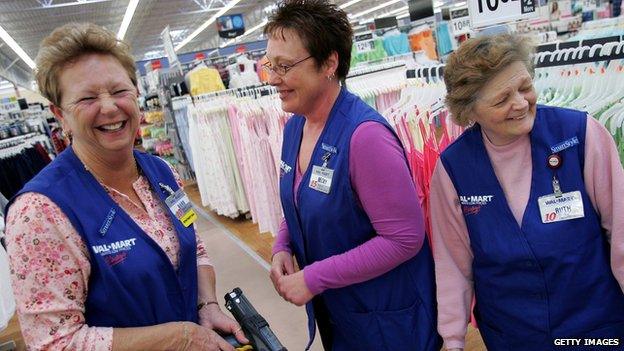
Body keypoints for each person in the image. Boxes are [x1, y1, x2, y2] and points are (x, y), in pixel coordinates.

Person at [3, 23, 248, 350]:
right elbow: (55, 343)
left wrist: (208, 305)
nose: (109, 107)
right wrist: (179, 337)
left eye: (119, 91)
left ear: (135, 93)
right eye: (87, 98)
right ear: (60, 114)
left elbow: (195, 248)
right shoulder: (41, 212)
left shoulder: (160, 171)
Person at [264, 1, 441, 350]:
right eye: (271, 65)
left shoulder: (366, 137)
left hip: (387, 319)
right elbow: (300, 197)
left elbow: (404, 238)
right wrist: (282, 245)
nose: (272, 78)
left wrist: (314, 277)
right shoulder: (295, 127)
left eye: (284, 66)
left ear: (329, 63)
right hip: (340, 312)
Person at [430, 33, 624, 351]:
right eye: (501, 99)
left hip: (594, 328)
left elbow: (621, 234)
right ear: (470, 112)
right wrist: (452, 340)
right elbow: (453, 264)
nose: (520, 104)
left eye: (524, 87)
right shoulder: (453, 169)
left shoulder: (581, 135)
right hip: (512, 334)